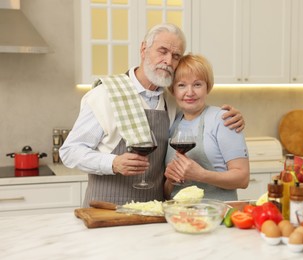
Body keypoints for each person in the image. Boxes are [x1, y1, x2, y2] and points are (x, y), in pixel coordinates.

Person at [59, 23, 245, 207]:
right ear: (143, 49)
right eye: (162, 51)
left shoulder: (171, 101)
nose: (168, 61)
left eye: (175, 56)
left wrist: (233, 117)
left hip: (153, 212)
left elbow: (198, 113)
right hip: (107, 208)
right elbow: (69, 151)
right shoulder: (105, 94)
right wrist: (113, 163)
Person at [164, 54, 249, 201]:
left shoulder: (223, 120)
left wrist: (201, 175)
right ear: (173, 90)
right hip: (178, 216)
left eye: (197, 84)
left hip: (216, 215)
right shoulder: (172, 122)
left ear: (207, 87)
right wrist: (170, 181)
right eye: (181, 85)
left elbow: (243, 179)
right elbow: (167, 192)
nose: (189, 92)